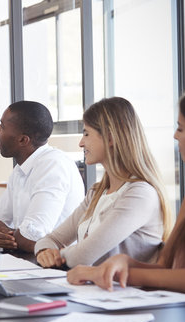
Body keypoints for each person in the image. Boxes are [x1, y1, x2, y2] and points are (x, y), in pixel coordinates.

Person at [67, 88, 185, 296]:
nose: (175, 136)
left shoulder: (140, 192)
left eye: (181, 129)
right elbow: (166, 265)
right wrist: (125, 262)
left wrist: (124, 273)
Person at [35, 97, 171, 268]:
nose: (81, 143)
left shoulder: (140, 194)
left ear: (110, 138)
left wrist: (57, 254)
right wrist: (44, 252)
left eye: (86, 134)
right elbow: (51, 239)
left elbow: (81, 257)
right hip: (91, 289)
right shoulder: (97, 192)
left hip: (125, 292)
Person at [0, 101, 85, 252]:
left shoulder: (52, 166)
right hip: (28, 262)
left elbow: (32, 240)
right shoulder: (20, 169)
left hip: (55, 267)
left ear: (23, 140)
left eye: (2, 127)